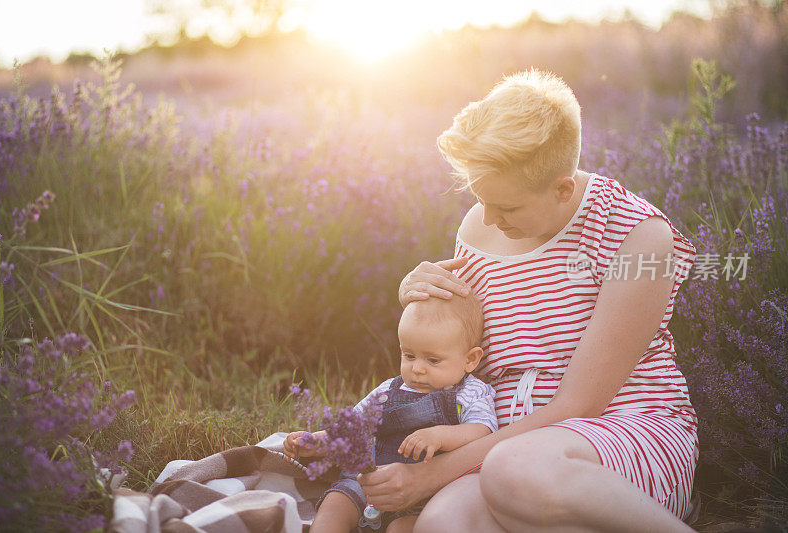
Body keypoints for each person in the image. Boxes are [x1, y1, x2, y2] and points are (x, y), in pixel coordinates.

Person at [357, 68, 700, 532]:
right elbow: (462, 341)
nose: (491, 218)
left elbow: (578, 405)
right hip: (499, 445)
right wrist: (414, 292)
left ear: (563, 187)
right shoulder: (480, 226)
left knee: (514, 470)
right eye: (483, 200)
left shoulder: (639, 238)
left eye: (509, 207)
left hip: (625, 436)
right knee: (441, 524)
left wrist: (428, 477)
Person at [284, 292, 498, 533]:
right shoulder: (389, 388)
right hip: (364, 481)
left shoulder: (471, 392)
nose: (417, 368)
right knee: (335, 505)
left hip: (421, 496)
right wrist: (320, 440)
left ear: (470, 359)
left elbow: (483, 431)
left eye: (433, 360)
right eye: (409, 355)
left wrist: (440, 435)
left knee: (405, 527)